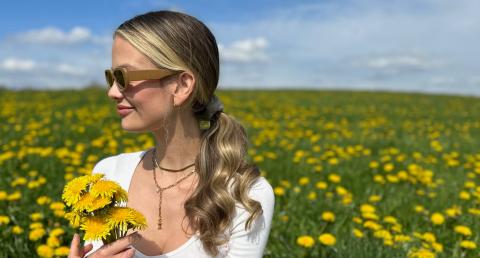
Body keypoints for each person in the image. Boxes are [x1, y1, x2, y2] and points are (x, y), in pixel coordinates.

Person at [68, 10, 275, 258]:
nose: (112, 91)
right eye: (111, 77)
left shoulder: (245, 194)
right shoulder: (107, 176)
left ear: (182, 86)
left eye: (123, 77)